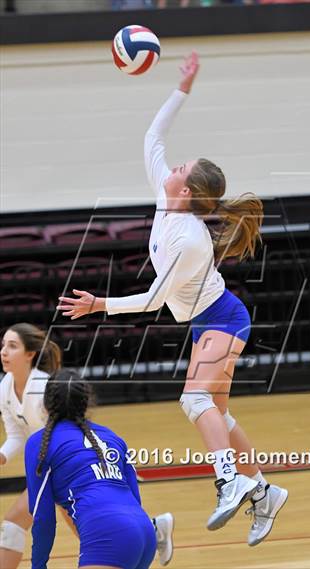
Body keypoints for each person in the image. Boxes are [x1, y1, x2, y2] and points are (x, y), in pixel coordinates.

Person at [57, 51, 288, 545]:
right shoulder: (167, 197)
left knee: (195, 398)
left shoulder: (188, 238)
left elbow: (154, 300)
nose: (173, 164)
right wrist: (183, 85)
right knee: (218, 413)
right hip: (208, 320)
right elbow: (152, 136)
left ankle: (229, 481)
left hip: (225, 317)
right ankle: (265, 493)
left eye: (181, 166)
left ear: (187, 190)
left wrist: (100, 306)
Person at [0, 323, 173, 567]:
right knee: (19, 523)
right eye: (3, 345)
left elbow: (44, 514)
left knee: (20, 522)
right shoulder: (6, 386)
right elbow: (16, 435)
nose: (4, 351)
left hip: (63, 471)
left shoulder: (44, 388)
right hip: (111, 507)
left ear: (31, 354)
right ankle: (150, 530)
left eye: (12, 346)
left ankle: (142, 532)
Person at [25, 368, 156, 569]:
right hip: (145, 532)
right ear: (86, 403)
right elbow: (134, 497)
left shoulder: (40, 442)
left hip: (108, 535)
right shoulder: (112, 437)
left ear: (45, 404)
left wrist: (38, 566)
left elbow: (43, 518)